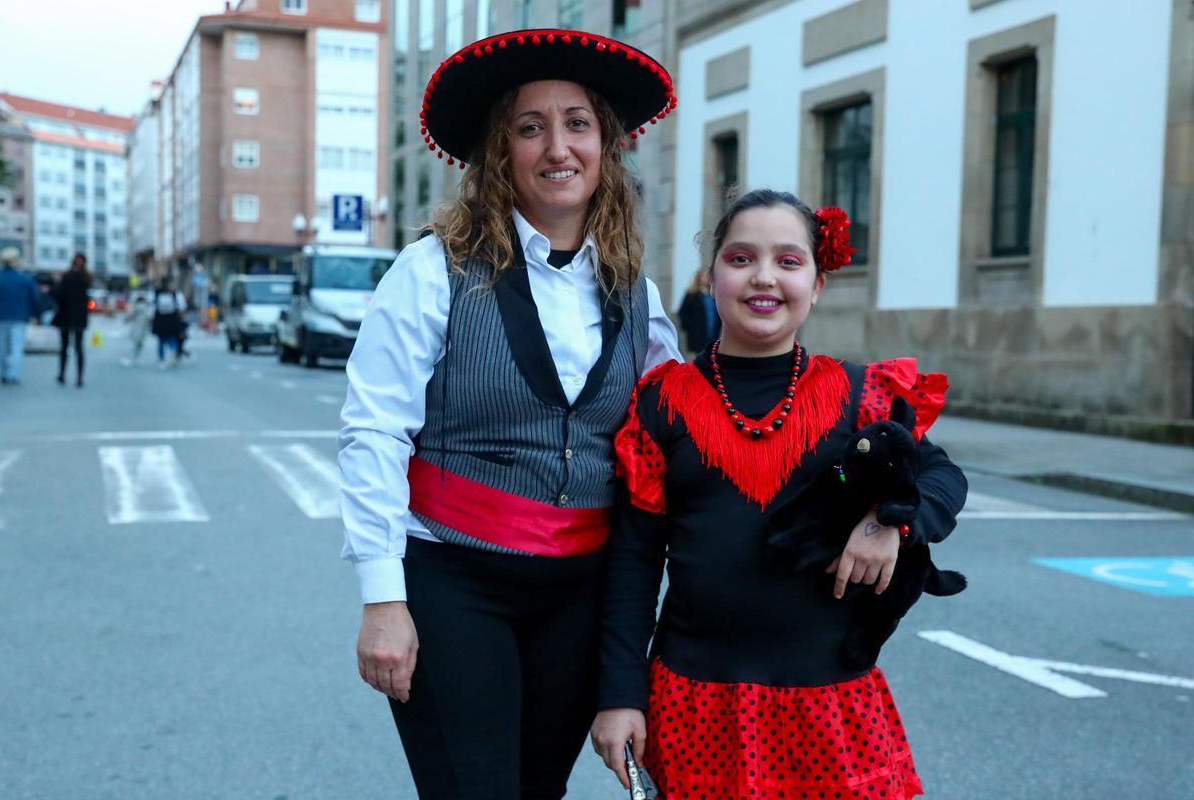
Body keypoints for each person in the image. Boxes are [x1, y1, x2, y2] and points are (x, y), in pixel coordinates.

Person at [337, 28, 680, 799]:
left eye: (577, 124)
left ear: (605, 147)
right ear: (501, 152)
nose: (558, 147)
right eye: (531, 127)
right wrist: (383, 600)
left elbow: (681, 438)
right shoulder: (431, 270)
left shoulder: (639, 294)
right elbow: (375, 432)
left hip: (579, 596)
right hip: (455, 581)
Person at [590, 189, 968, 799]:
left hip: (831, 700)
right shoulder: (662, 403)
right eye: (741, 258)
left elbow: (941, 477)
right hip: (695, 702)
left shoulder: (859, 396)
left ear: (816, 285)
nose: (763, 277)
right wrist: (619, 697)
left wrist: (889, 523)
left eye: (788, 261)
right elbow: (632, 566)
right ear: (712, 276)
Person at [0, 247, 43, 386]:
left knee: (1, 347)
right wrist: (34, 314)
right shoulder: (25, 279)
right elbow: (34, 299)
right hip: (20, 317)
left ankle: (3, 373)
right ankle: (13, 375)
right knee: (17, 347)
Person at [51, 252, 92, 387]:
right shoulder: (85, 277)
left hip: (67, 315)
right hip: (77, 316)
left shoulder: (68, 276)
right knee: (77, 347)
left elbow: (58, 294)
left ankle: (64, 374)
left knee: (66, 347)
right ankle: (78, 377)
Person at [676, 266, 720, 352]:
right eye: (705, 275)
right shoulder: (691, 294)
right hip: (697, 335)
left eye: (709, 275)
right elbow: (682, 313)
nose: (707, 278)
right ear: (699, 278)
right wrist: (691, 327)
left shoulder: (714, 295)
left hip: (713, 334)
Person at [152, 278, 186, 368]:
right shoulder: (176, 294)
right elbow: (181, 307)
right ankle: (173, 354)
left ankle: (162, 359)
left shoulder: (156, 293)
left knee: (161, 340)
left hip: (160, 320)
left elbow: (152, 306)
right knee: (173, 338)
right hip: (172, 320)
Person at [121, 290, 153, 366]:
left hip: (136, 328)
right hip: (143, 329)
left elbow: (129, 316)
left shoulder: (136, 308)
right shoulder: (146, 308)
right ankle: (133, 357)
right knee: (139, 344)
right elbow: (149, 318)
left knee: (135, 344)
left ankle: (130, 357)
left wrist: (126, 320)